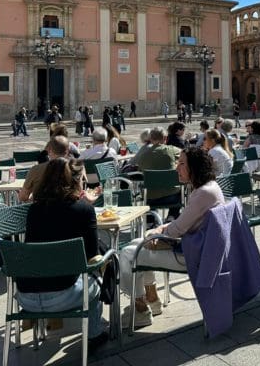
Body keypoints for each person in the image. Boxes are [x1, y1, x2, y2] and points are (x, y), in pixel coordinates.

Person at [119, 146, 225, 327]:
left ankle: (141, 308)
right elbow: (185, 220)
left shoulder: (202, 193)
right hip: (200, 248)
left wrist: (158, 232)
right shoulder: (210, 187)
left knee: (128, 254)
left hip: (191, 256)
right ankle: (151, 299)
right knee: (137, 243)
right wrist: (160, 229)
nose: (177, 167)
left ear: (195, 167)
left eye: (182, 163)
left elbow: (177, 230)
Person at [16, 158, 108, 348]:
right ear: (75, 181)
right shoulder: (83, 210)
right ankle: (94, 334)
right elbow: (92, 256)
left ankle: (51, 324)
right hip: (63, 296)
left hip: (26, 297)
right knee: (97, 274)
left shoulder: (33, 210)